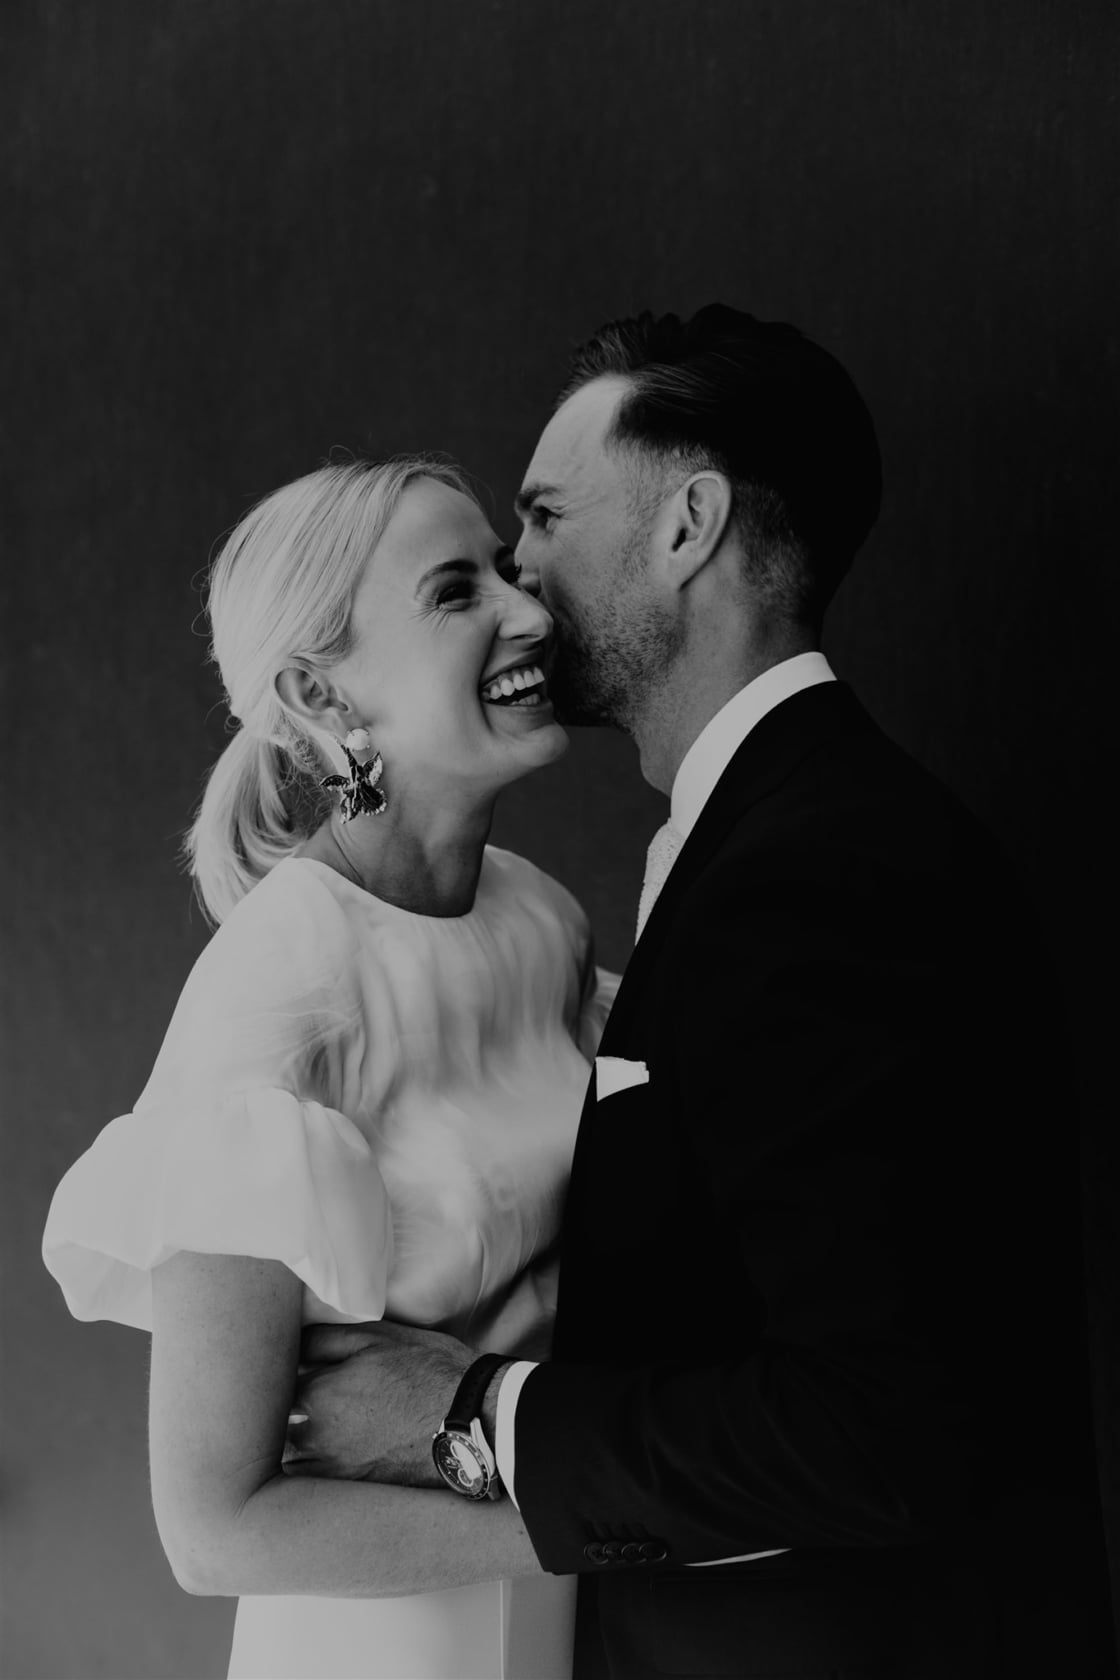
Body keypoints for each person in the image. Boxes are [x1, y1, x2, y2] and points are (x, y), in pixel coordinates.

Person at [282, 307, 1117, 1679]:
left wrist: (475, 1414)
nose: (518, 570)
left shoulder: (820, 872)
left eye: (544, 516)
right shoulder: (788, 840)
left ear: (688, 527)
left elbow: (879, 1428)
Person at [42, 455, 618, 1680]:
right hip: (378, 1642)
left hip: (563, 1624)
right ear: (317, 690)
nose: (527, 613)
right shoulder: (281, 987)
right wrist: (606, 1523)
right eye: (455, 592)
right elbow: (215, 1527)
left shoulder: (541, 921)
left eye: (506, 571)